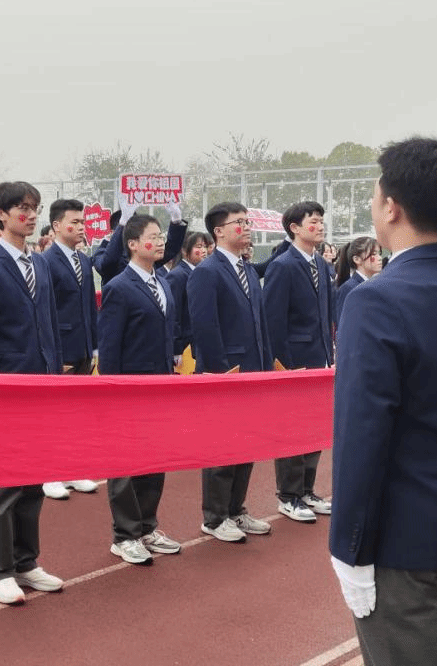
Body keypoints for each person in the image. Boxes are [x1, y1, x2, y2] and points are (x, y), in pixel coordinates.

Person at [328, 137, 437, 666]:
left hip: (402, 540)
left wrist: (349, 548)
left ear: (391, 207)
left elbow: (362, 435)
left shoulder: (376, 300)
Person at [0, 181, 66, 606]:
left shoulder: (39, 263)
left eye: (35, 207)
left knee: (33, 481)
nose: (31, 214)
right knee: (4, 483)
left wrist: (56, 377)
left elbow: (50, 325)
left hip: (41, 387)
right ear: (1, 215)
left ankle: (26, 561)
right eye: (22, 207)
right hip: (5, 390)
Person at [187, 202, 274, 544]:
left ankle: (236, 509)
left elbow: (260, 325)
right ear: (219, 231)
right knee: (222, 446)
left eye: (247, 221)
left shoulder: (248, 270)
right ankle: (215, 516)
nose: (247, 227)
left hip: (253, 373)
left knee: (247, 444)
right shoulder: (207, 272)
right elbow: (205, 327)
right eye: (239, 222)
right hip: (226, 374)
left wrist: (266, 369)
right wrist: (221, 373)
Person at [98, 214, 182, 565]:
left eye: (162, 236)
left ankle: (147, 525)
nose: (161, 241)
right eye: (153, 236)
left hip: (159, 386)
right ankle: (125, 534)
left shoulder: (162, 281)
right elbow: (110, 345)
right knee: (126, 462)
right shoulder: (119, 287)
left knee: (154, 459)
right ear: (133, 244)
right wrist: (112, 389)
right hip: (129, 388)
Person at [262, 200, 336, 524]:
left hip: (319, 359)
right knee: (292, 428)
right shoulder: (283, 265)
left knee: (314, 427)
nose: (319, 226)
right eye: (313, 221)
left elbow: (326, 315)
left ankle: (307, 489)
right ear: (294, 228)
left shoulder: (322, 264)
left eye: (321, 221)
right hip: (293, 361)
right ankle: (288, 495)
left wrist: (329, 354)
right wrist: (283, 364)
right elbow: (273, 320)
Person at [41, 198, 99, 500]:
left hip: (83, 347)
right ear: (56, 225)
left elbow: (90, 306)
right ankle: (49, 472)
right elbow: (45, 311)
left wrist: (94, 345)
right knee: (55, 413)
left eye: (82, 222)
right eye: (74, 222)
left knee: (77, 413)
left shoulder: (84, 261)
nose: (80, 227)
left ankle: (73, 468)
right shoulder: (45, 261)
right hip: (60, 347)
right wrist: (53, 352)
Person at [165, 231, 211, 360]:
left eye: (205, 246)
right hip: (186, 347)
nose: (204, 251)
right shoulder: (177, 276)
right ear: (185, 251)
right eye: (198, 246)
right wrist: (177, 348)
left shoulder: (202, 273)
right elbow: (174, 314)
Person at [334, 236, 381, 327]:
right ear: (357, 259)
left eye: (379, 253)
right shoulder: (348, 288)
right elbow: (344, 325)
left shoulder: (375, 284)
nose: (379, 258)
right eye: (373, 254)